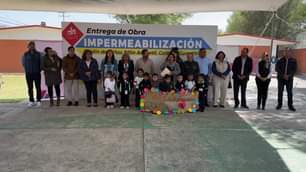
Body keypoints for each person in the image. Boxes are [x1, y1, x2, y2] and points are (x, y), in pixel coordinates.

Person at [22, 41, 42, 107]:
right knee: (30, 87)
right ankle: (31, 100)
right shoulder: (25, 54)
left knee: (38, 87)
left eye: (33, 45)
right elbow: (23, 63)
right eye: (30, 45)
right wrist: (27, 70)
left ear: (34, 46)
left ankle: (38, 100)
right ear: (28, 46)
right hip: (29, 73)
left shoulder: (38, 54)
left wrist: (39, 69)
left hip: (37, 73)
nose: (32, 47)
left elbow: (41, 63)